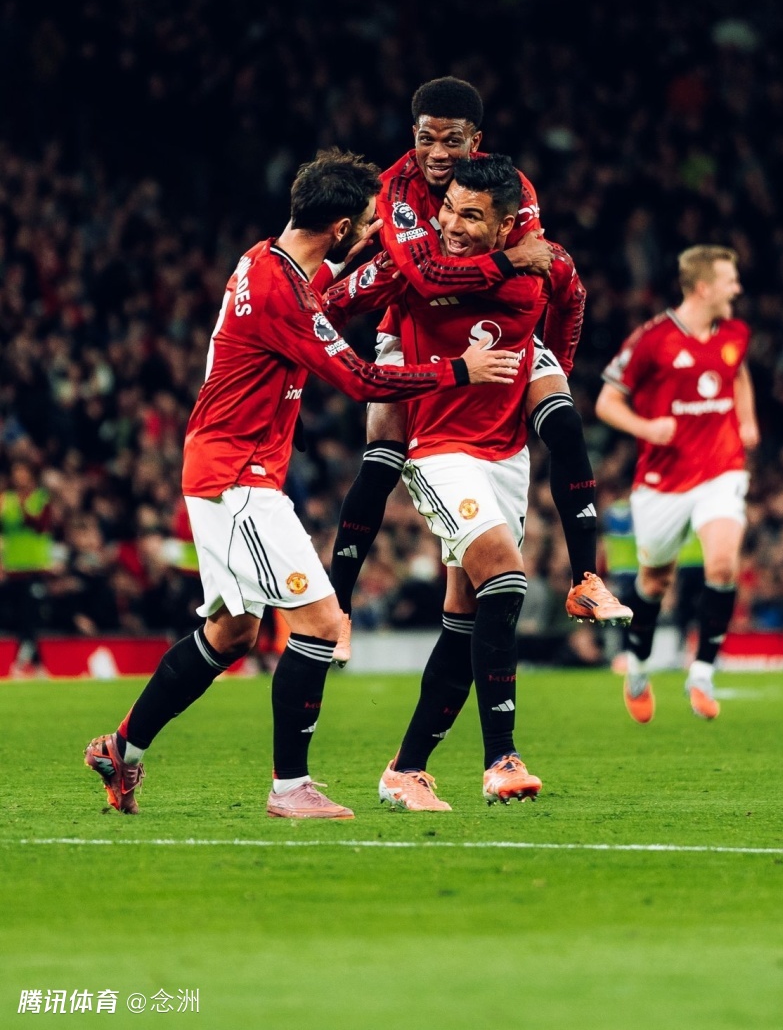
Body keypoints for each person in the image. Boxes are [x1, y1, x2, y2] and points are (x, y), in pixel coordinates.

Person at [84, 148, 519, 820]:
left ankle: (122, 749)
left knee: (231, 634)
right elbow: (362, 380)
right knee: (319, 621)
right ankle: (291, 788)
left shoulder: (265, 261)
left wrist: (370, 261)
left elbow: (325, 293)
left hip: (224, 466)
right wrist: (458, 369)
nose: (373, 231)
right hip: (238, 476)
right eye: (366, 223)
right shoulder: (281, 291)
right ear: (339, 226)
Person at [329, 76, 630, 664]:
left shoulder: (511, 187)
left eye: (452, 140)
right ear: (413, 135)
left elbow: (557, 279)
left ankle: (585, 580)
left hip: (497, 329)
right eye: (426, 139)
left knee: (564, 424)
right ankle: (337, 609)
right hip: (412, 325)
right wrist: (509, 260)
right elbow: (425, 278)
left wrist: (552, 365)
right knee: (383, 456)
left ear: (476, 141)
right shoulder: (395, 190)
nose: (438, 153)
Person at [323, 155, 585, 807]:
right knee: (506, 576)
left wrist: (556, 366)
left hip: (504, 455)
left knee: (467, 618)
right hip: (437, 449)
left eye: (471, 215)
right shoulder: (413, 266)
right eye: (448, 209)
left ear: (506, 229)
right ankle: (502, 757)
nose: (452, 224)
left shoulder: (535, 273)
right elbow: (327, 307)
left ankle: (405, 768)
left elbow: (570, 298)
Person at [595, 245, 759, 722]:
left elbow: (737, 372)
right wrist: (647, 428)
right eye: (730, 280)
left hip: (721, 469)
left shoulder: (734, 333)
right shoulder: (653, 339)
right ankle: (637, 666)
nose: (737, 288)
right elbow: (607, 402)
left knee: (723, 565)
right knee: (654, 580)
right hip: (662, 481)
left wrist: (747, 420)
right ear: (703, 287)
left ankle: (702, 673)